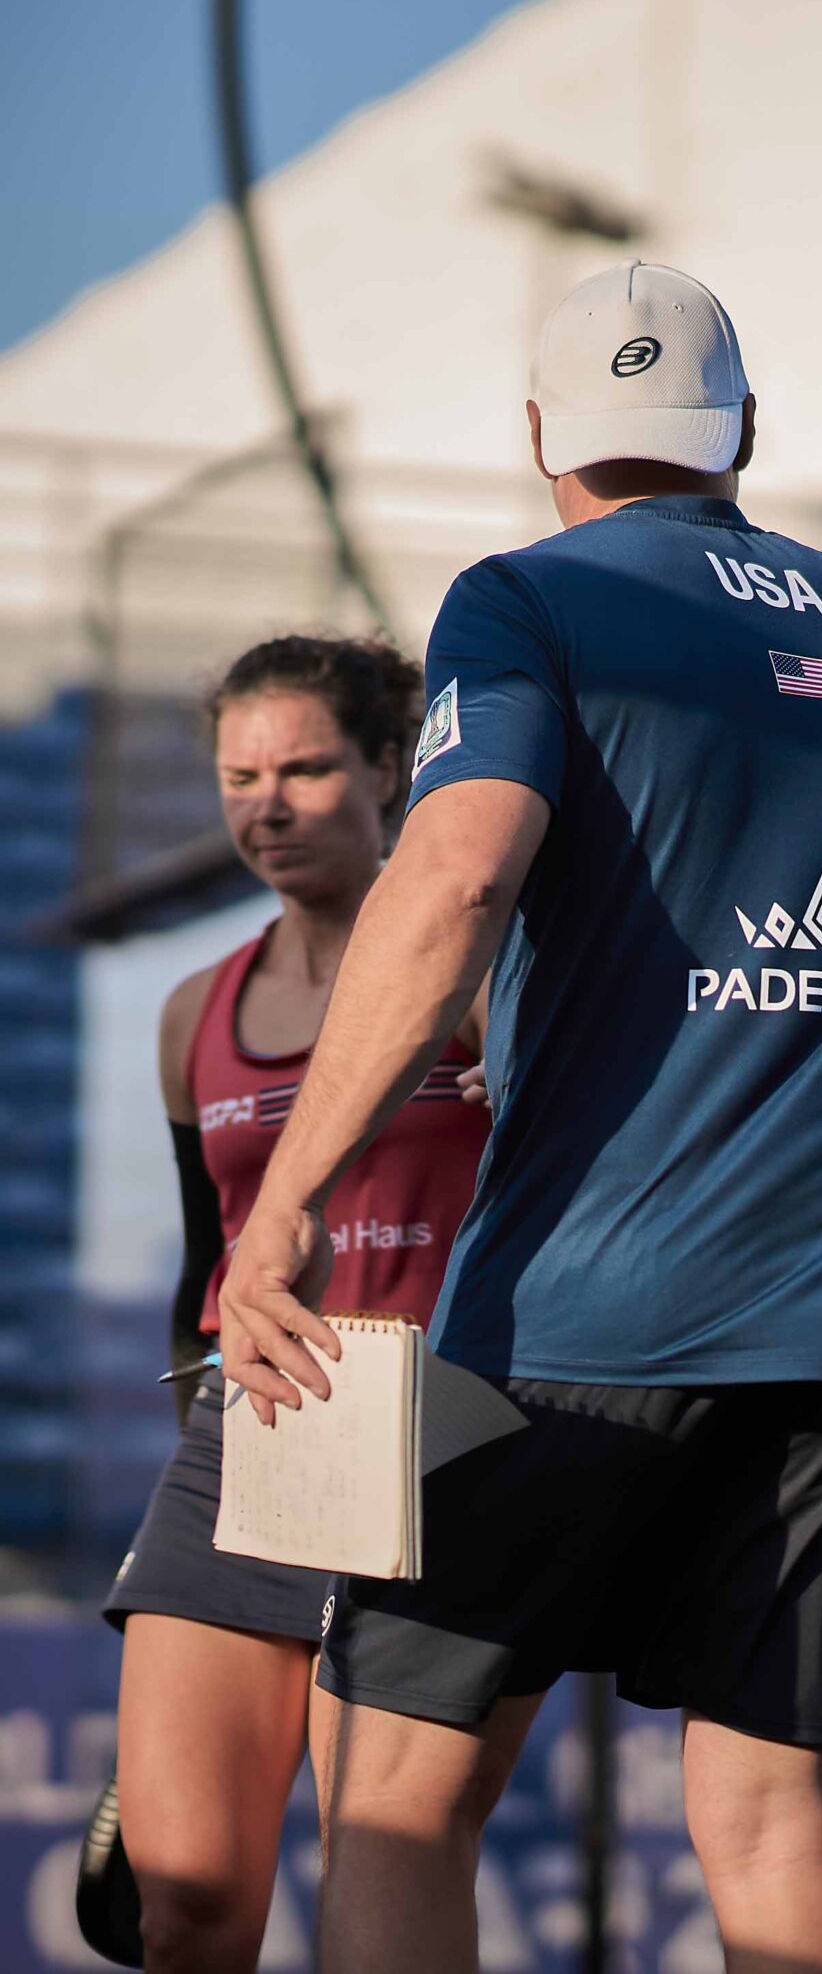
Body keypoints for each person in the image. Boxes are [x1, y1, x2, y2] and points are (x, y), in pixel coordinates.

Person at [215, 260, 822, 1974]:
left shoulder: (524, 598)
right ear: (741, 429)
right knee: (777, 1836)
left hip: (589, 1301)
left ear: (541, 432)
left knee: (395, 1791)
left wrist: (291, 1192)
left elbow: (455, 872)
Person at [87, 636, 491, 1974]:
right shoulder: (191, 1013)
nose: (268, 804)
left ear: (387, 769)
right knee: (188, 1898)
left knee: (377, 1870)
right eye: (240, 777)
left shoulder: (487, 974)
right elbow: (207, 1262)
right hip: (250, 1434)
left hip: (438, 1437)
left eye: (307, 770)